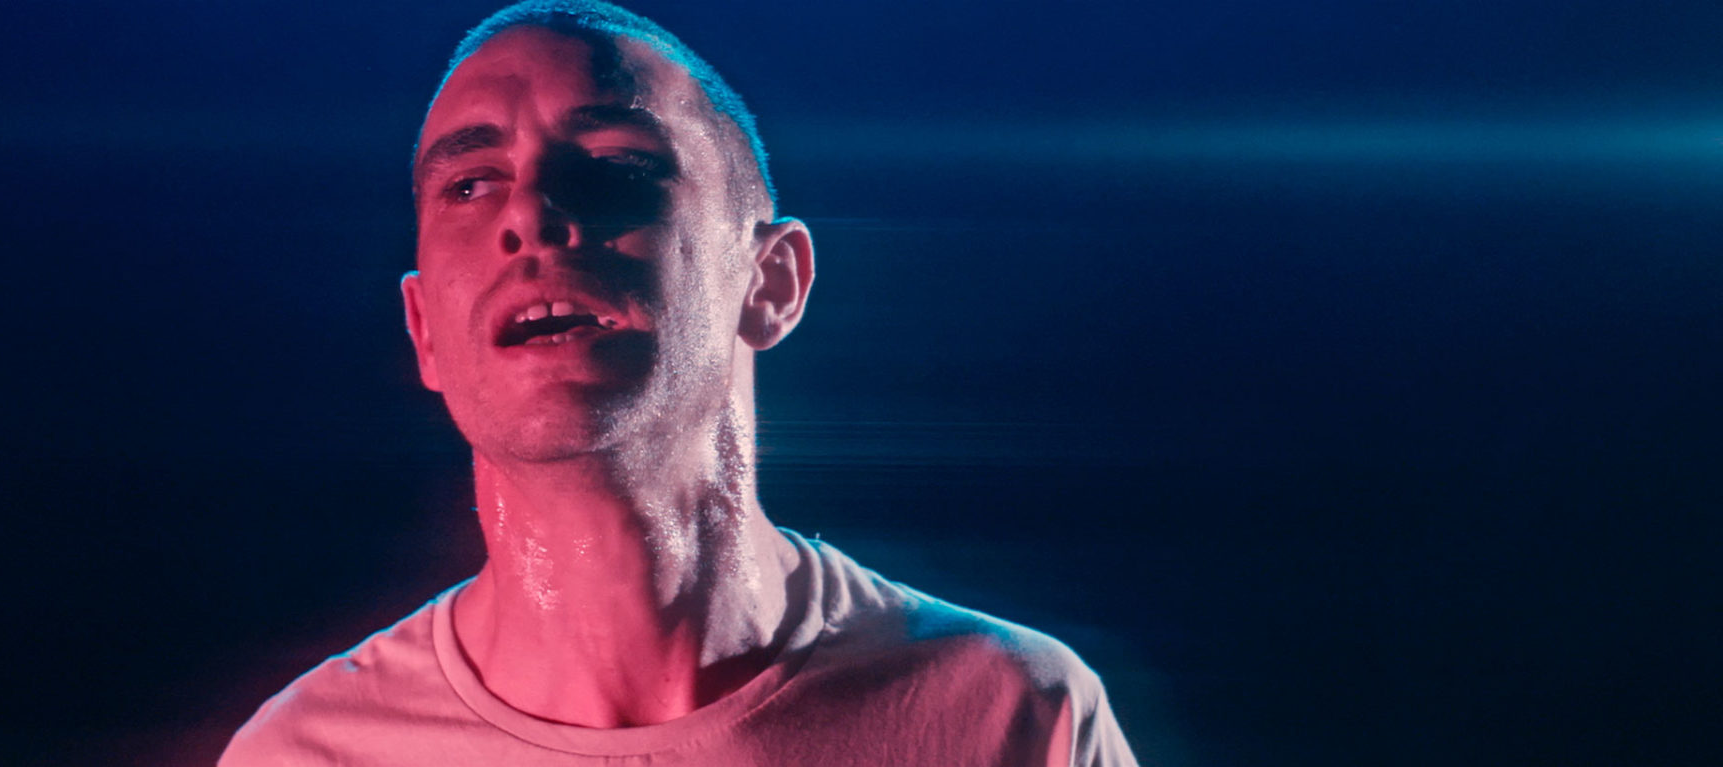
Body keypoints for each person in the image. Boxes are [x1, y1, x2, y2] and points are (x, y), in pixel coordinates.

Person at [221, 2, 1136, 764]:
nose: (531, 211)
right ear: (424, 330)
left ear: (772, 282)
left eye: (618, 165)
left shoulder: (1017, 717)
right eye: (468, 183)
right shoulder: (300, 755)